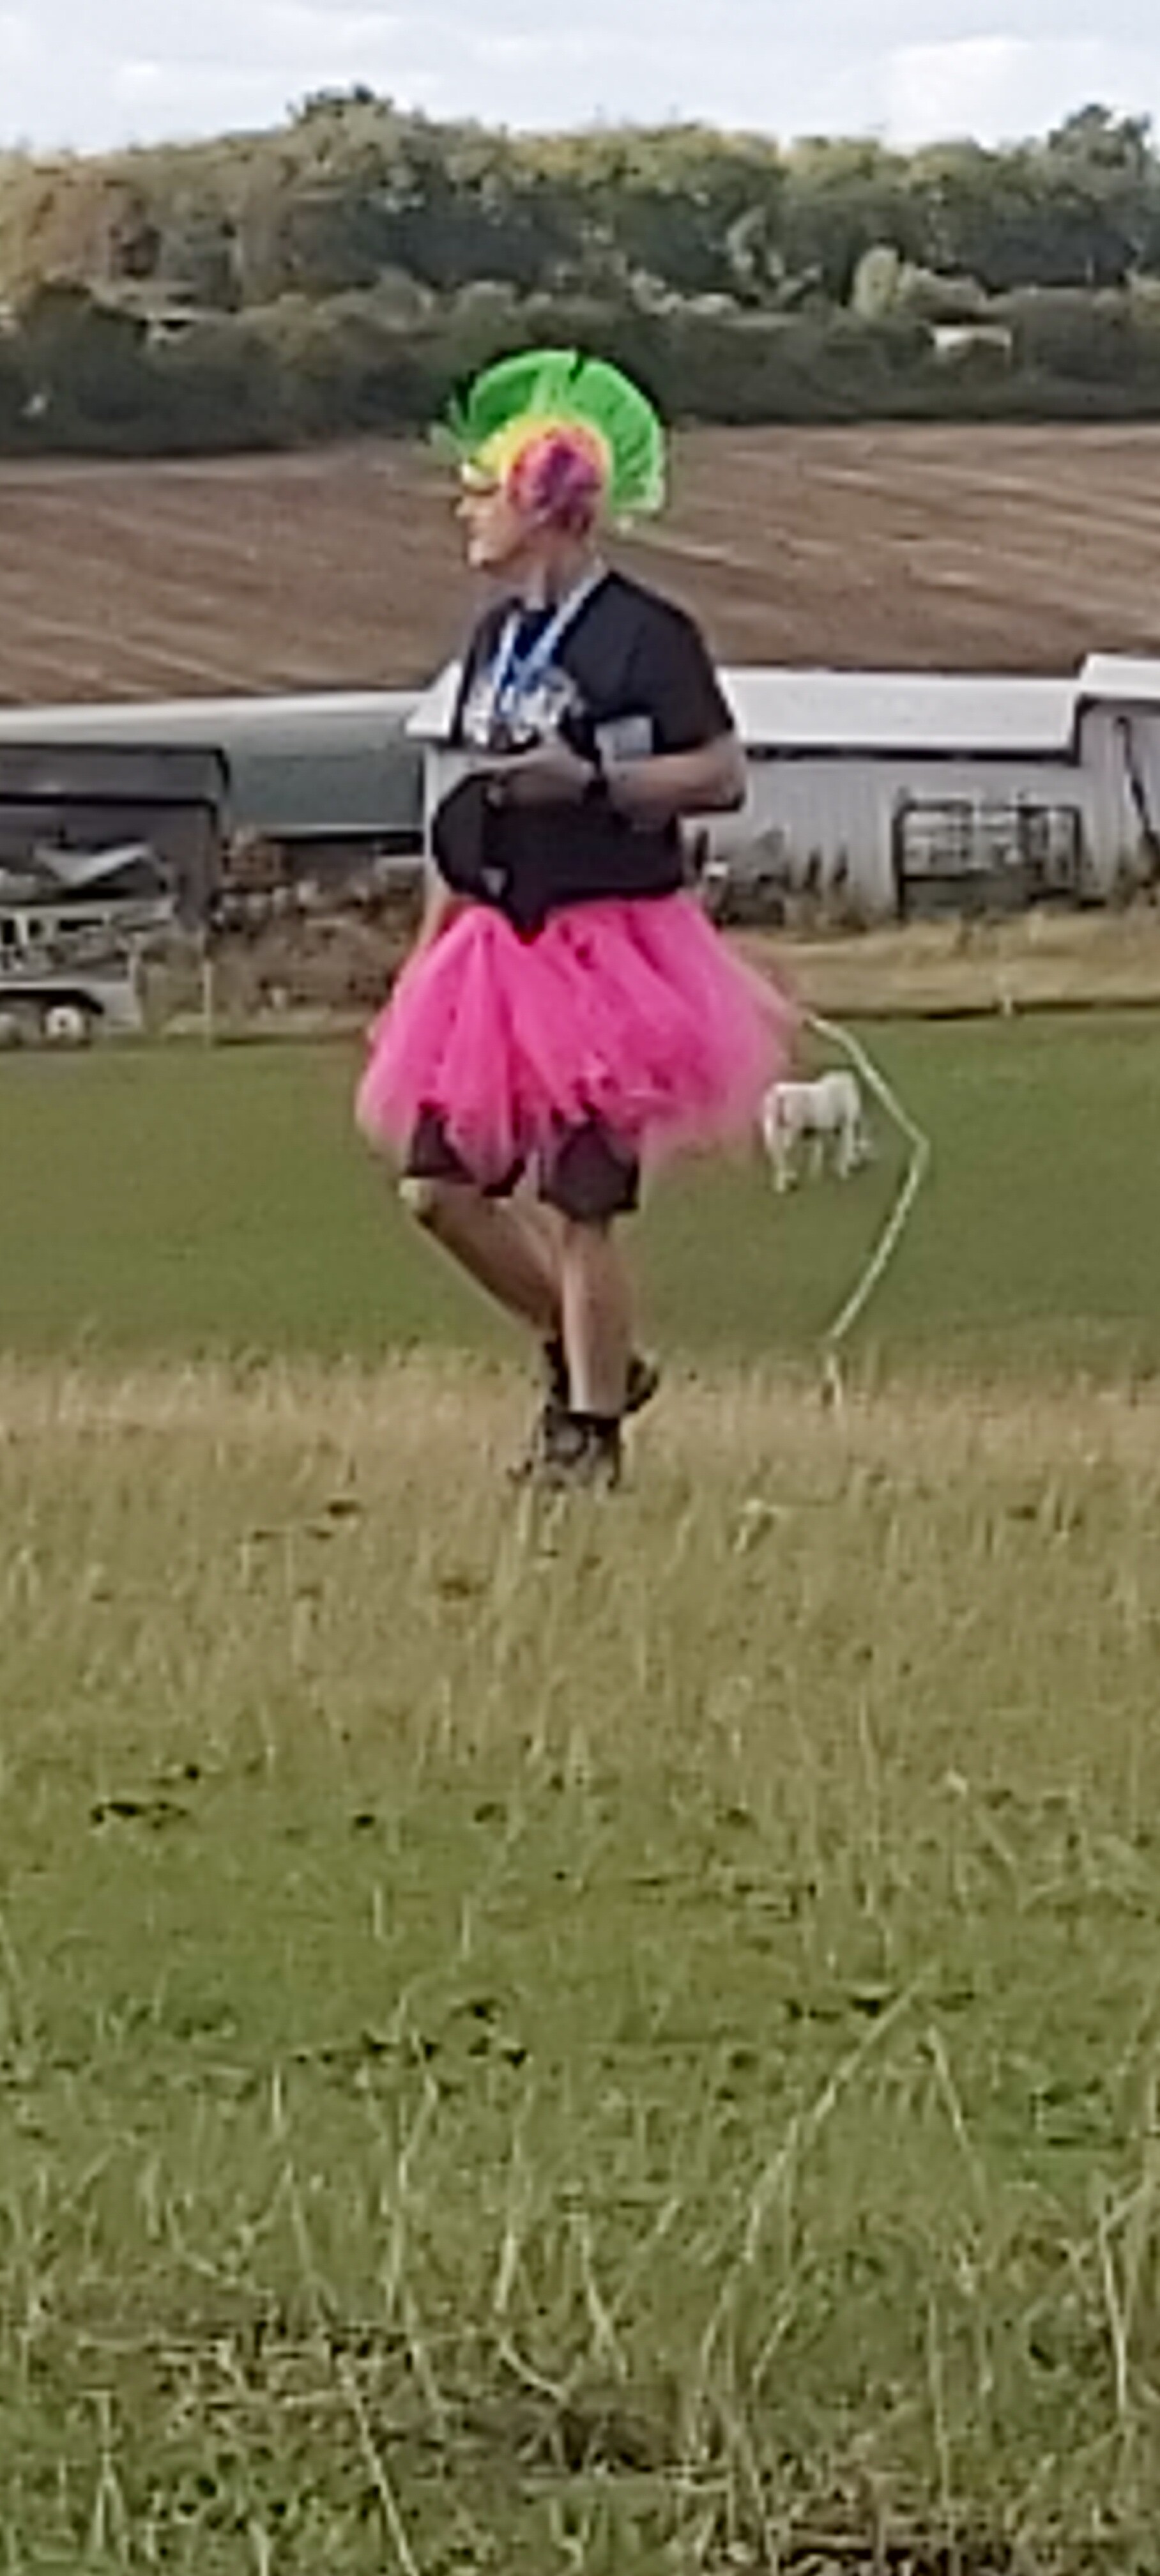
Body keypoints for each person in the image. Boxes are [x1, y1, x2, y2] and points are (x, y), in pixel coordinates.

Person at [357, 348, 794, 1487]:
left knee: (582, 1202)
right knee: (438, 1190)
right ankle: (594, 1350)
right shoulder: (495, 641)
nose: (463, 511)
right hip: (496, 948)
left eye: (481, 490)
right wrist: (426, 955)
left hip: (612, 954)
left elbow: (720, 773)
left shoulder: (649, 637)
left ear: (542, 503)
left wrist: (595, 781)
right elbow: (470, 798)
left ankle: (588, 1434)